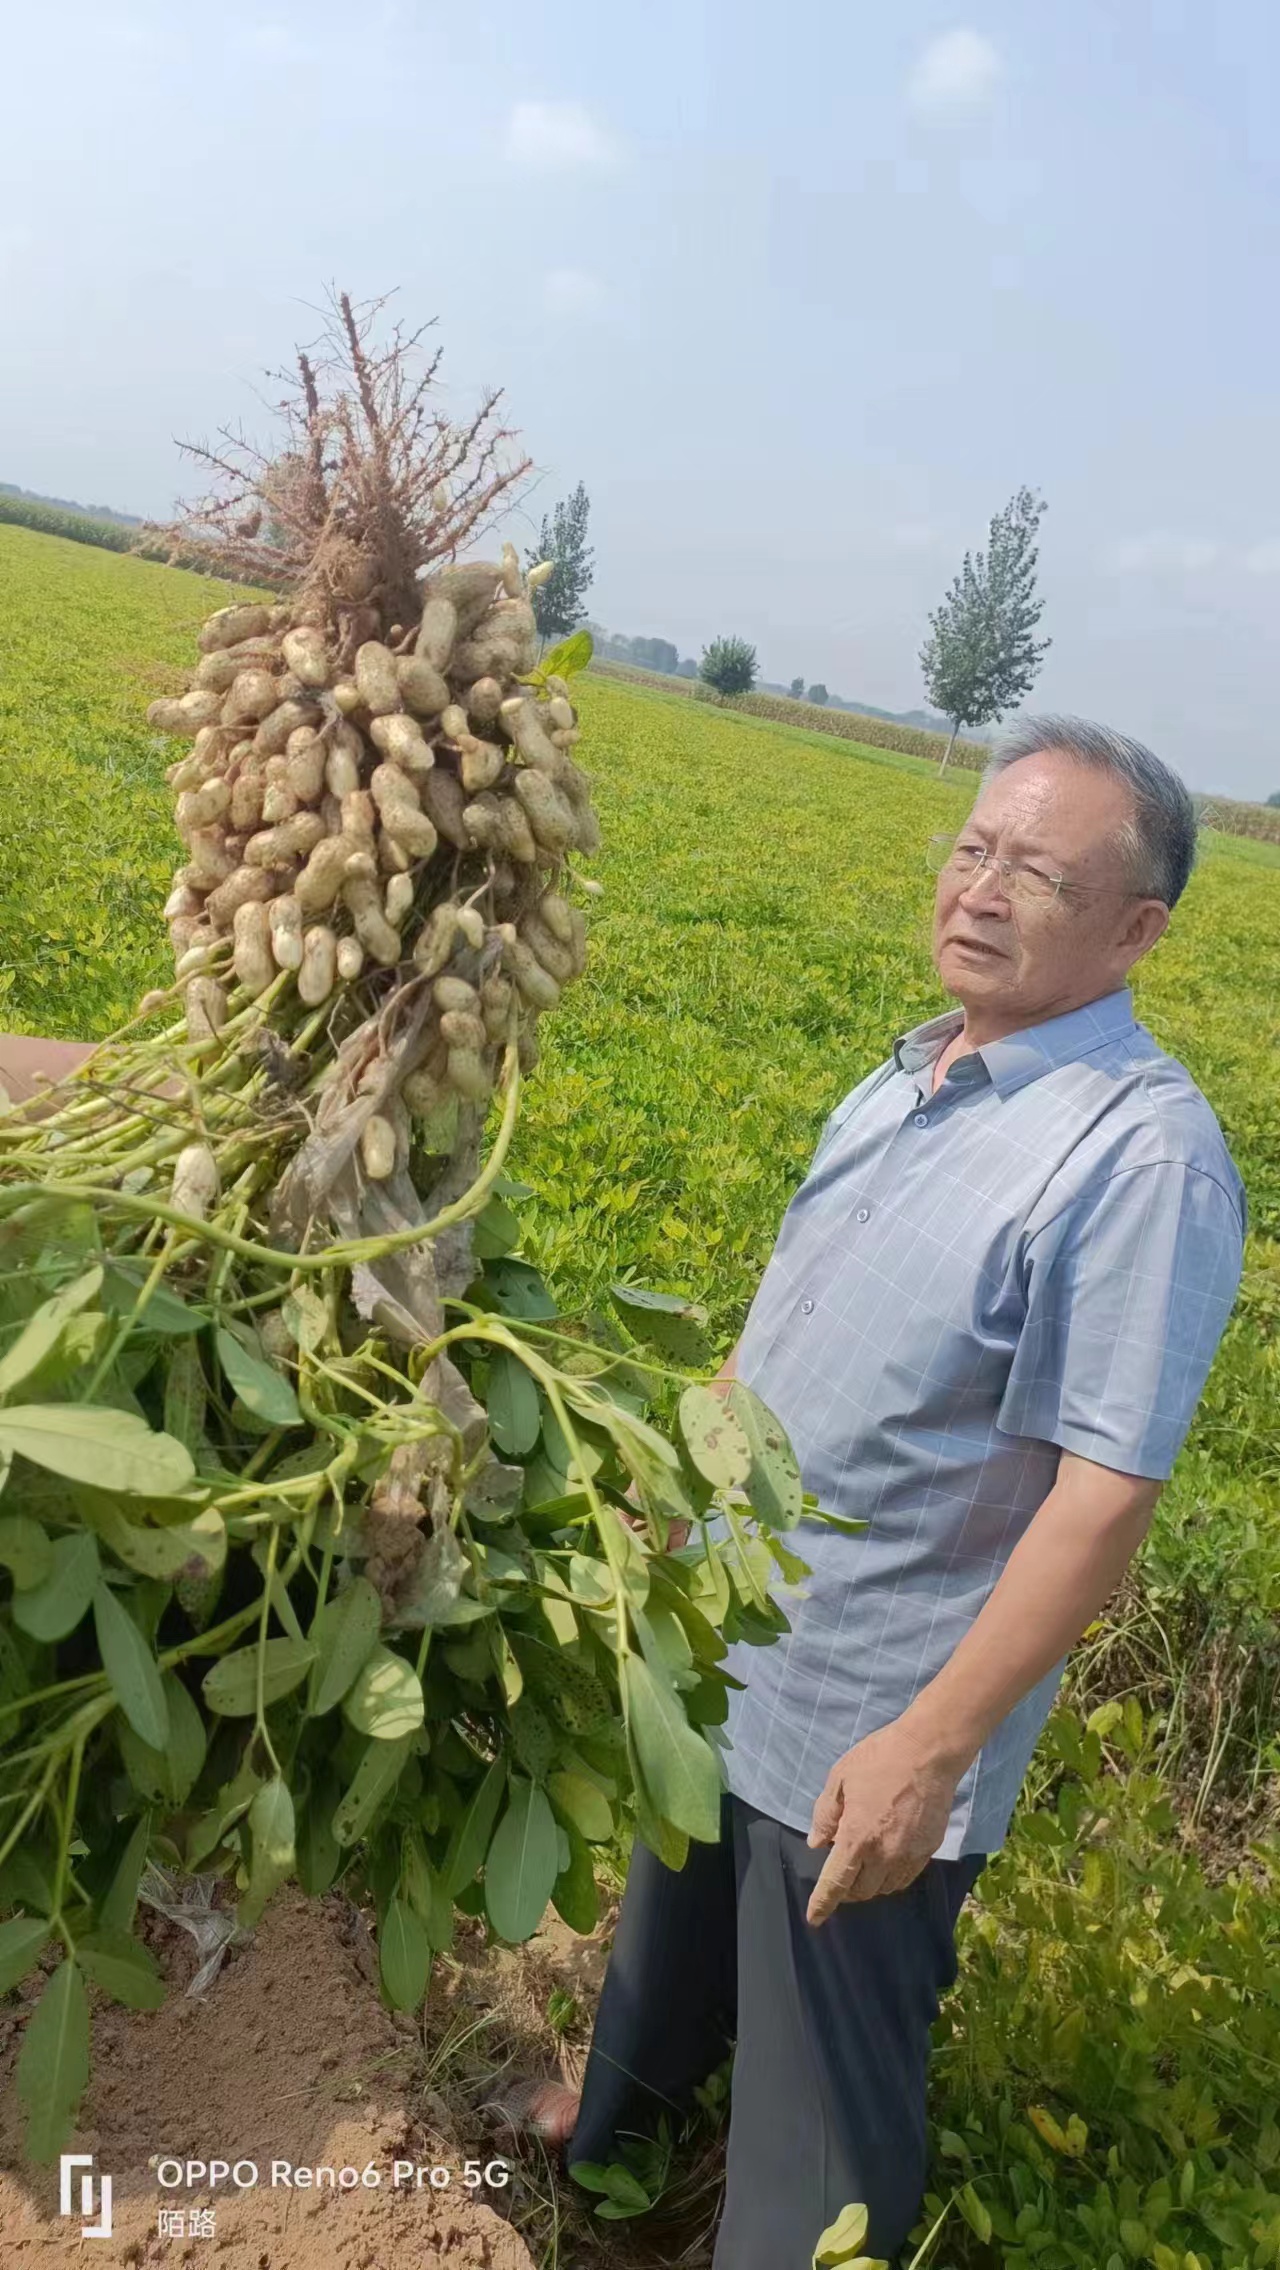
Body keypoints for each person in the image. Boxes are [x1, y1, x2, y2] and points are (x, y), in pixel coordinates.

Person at [502, 716, 1247, 2267]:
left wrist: (930, 1743)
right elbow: (798, 1317)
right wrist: (683, 1471)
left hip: (872, 1713)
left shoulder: (1140, 1154)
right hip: (734, 1640)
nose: (980, 886)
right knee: (668, 1941)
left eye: (1035, 870)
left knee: (821, 2122)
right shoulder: (911, 1068)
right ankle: (616, 2152)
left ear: (1137, 928)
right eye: (973, 846)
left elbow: (1104, 1500)